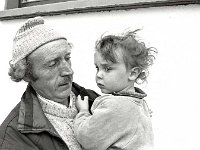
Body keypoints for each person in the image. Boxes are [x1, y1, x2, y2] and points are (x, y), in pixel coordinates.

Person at [0, 16, 99, 150]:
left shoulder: (94, 100)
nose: (68, 71)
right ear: (27, 74)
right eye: (52, 64)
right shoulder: (15, 135)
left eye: (67, 58)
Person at [74, 30, 157, 150]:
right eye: (97, 68)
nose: (99, 74)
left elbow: (87, 138)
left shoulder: (116, 106)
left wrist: (83, 112)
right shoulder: (140, 104)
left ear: (133, 73)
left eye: (107, 69)